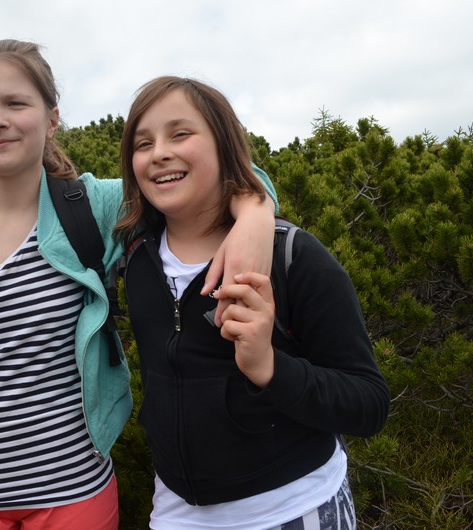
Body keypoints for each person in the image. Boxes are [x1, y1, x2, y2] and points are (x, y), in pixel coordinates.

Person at [0, 39, 277, 529]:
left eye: (15, 103)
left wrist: (255, 213)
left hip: (75, 489)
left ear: (52, 118)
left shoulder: (92, 206)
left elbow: (221, 176)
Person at [113, 76, 391, 529]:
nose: (159, 152)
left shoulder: (291, 255)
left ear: (224, 144)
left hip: (294, 510)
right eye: (143, 144)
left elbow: (369, 403)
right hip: (175, 514)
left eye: (180, 134)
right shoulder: (135, 257)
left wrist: (269, 366)